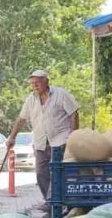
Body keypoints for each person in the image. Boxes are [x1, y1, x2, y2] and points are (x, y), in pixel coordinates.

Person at [9, 70, 79, 207]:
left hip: (60, 140)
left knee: (56, 171)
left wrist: (73, 136)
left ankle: (53, 202)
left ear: (46, 81)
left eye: (38, 82)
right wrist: (12, 137)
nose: (35, 85)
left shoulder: (60, 94)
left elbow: (73, 113)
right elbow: (21, 119)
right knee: (41, 173)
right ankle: (50, 200)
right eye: (33, 83)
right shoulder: (31, 99)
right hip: (40, 142)